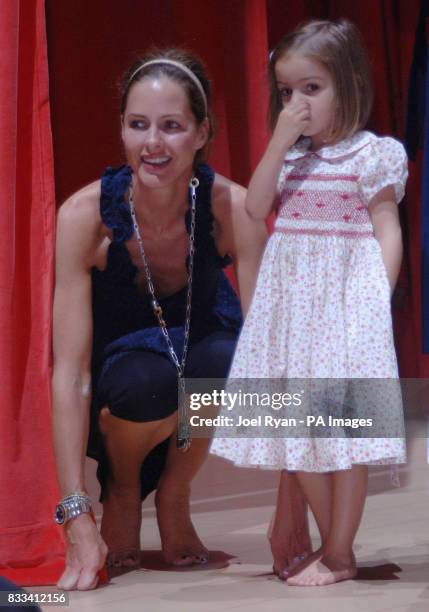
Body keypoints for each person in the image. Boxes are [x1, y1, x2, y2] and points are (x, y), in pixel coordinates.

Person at [52, 47, 310, 592]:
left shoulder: (234, 209)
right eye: (138, 124)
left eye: (172, 126)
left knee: (230, 360)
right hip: (124, 368)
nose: (152, 143)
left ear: (201, 132)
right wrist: (75, 513)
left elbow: (272, 356)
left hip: (201, 342)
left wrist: (292, 501)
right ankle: (122, 488)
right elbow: (70, 373)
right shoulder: (83, 217)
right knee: (149, 383)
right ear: (121, 129)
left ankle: (174, 492)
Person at [211, 19, 408, 586]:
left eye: (311, 89)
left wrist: (376, 297)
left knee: (345, 434)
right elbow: (255, 208)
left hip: (344, 310)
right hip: (292, 317)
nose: (296, 103)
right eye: (286, 92)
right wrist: (277, 139)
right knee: (296, 433)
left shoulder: (372, 155)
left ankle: (340, 552)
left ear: (346, 83)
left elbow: (386, 227)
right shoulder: (291, 160)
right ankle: (332, 546)